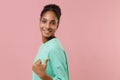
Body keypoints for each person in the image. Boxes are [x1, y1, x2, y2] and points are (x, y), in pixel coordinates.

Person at [32, 4, 69, 80]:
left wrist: (43, 76)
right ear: (40, 22)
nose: (47, 26)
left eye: (52, 23)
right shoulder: (44, 46)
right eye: (44, 21)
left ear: (57, 25)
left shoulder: (54, 48)